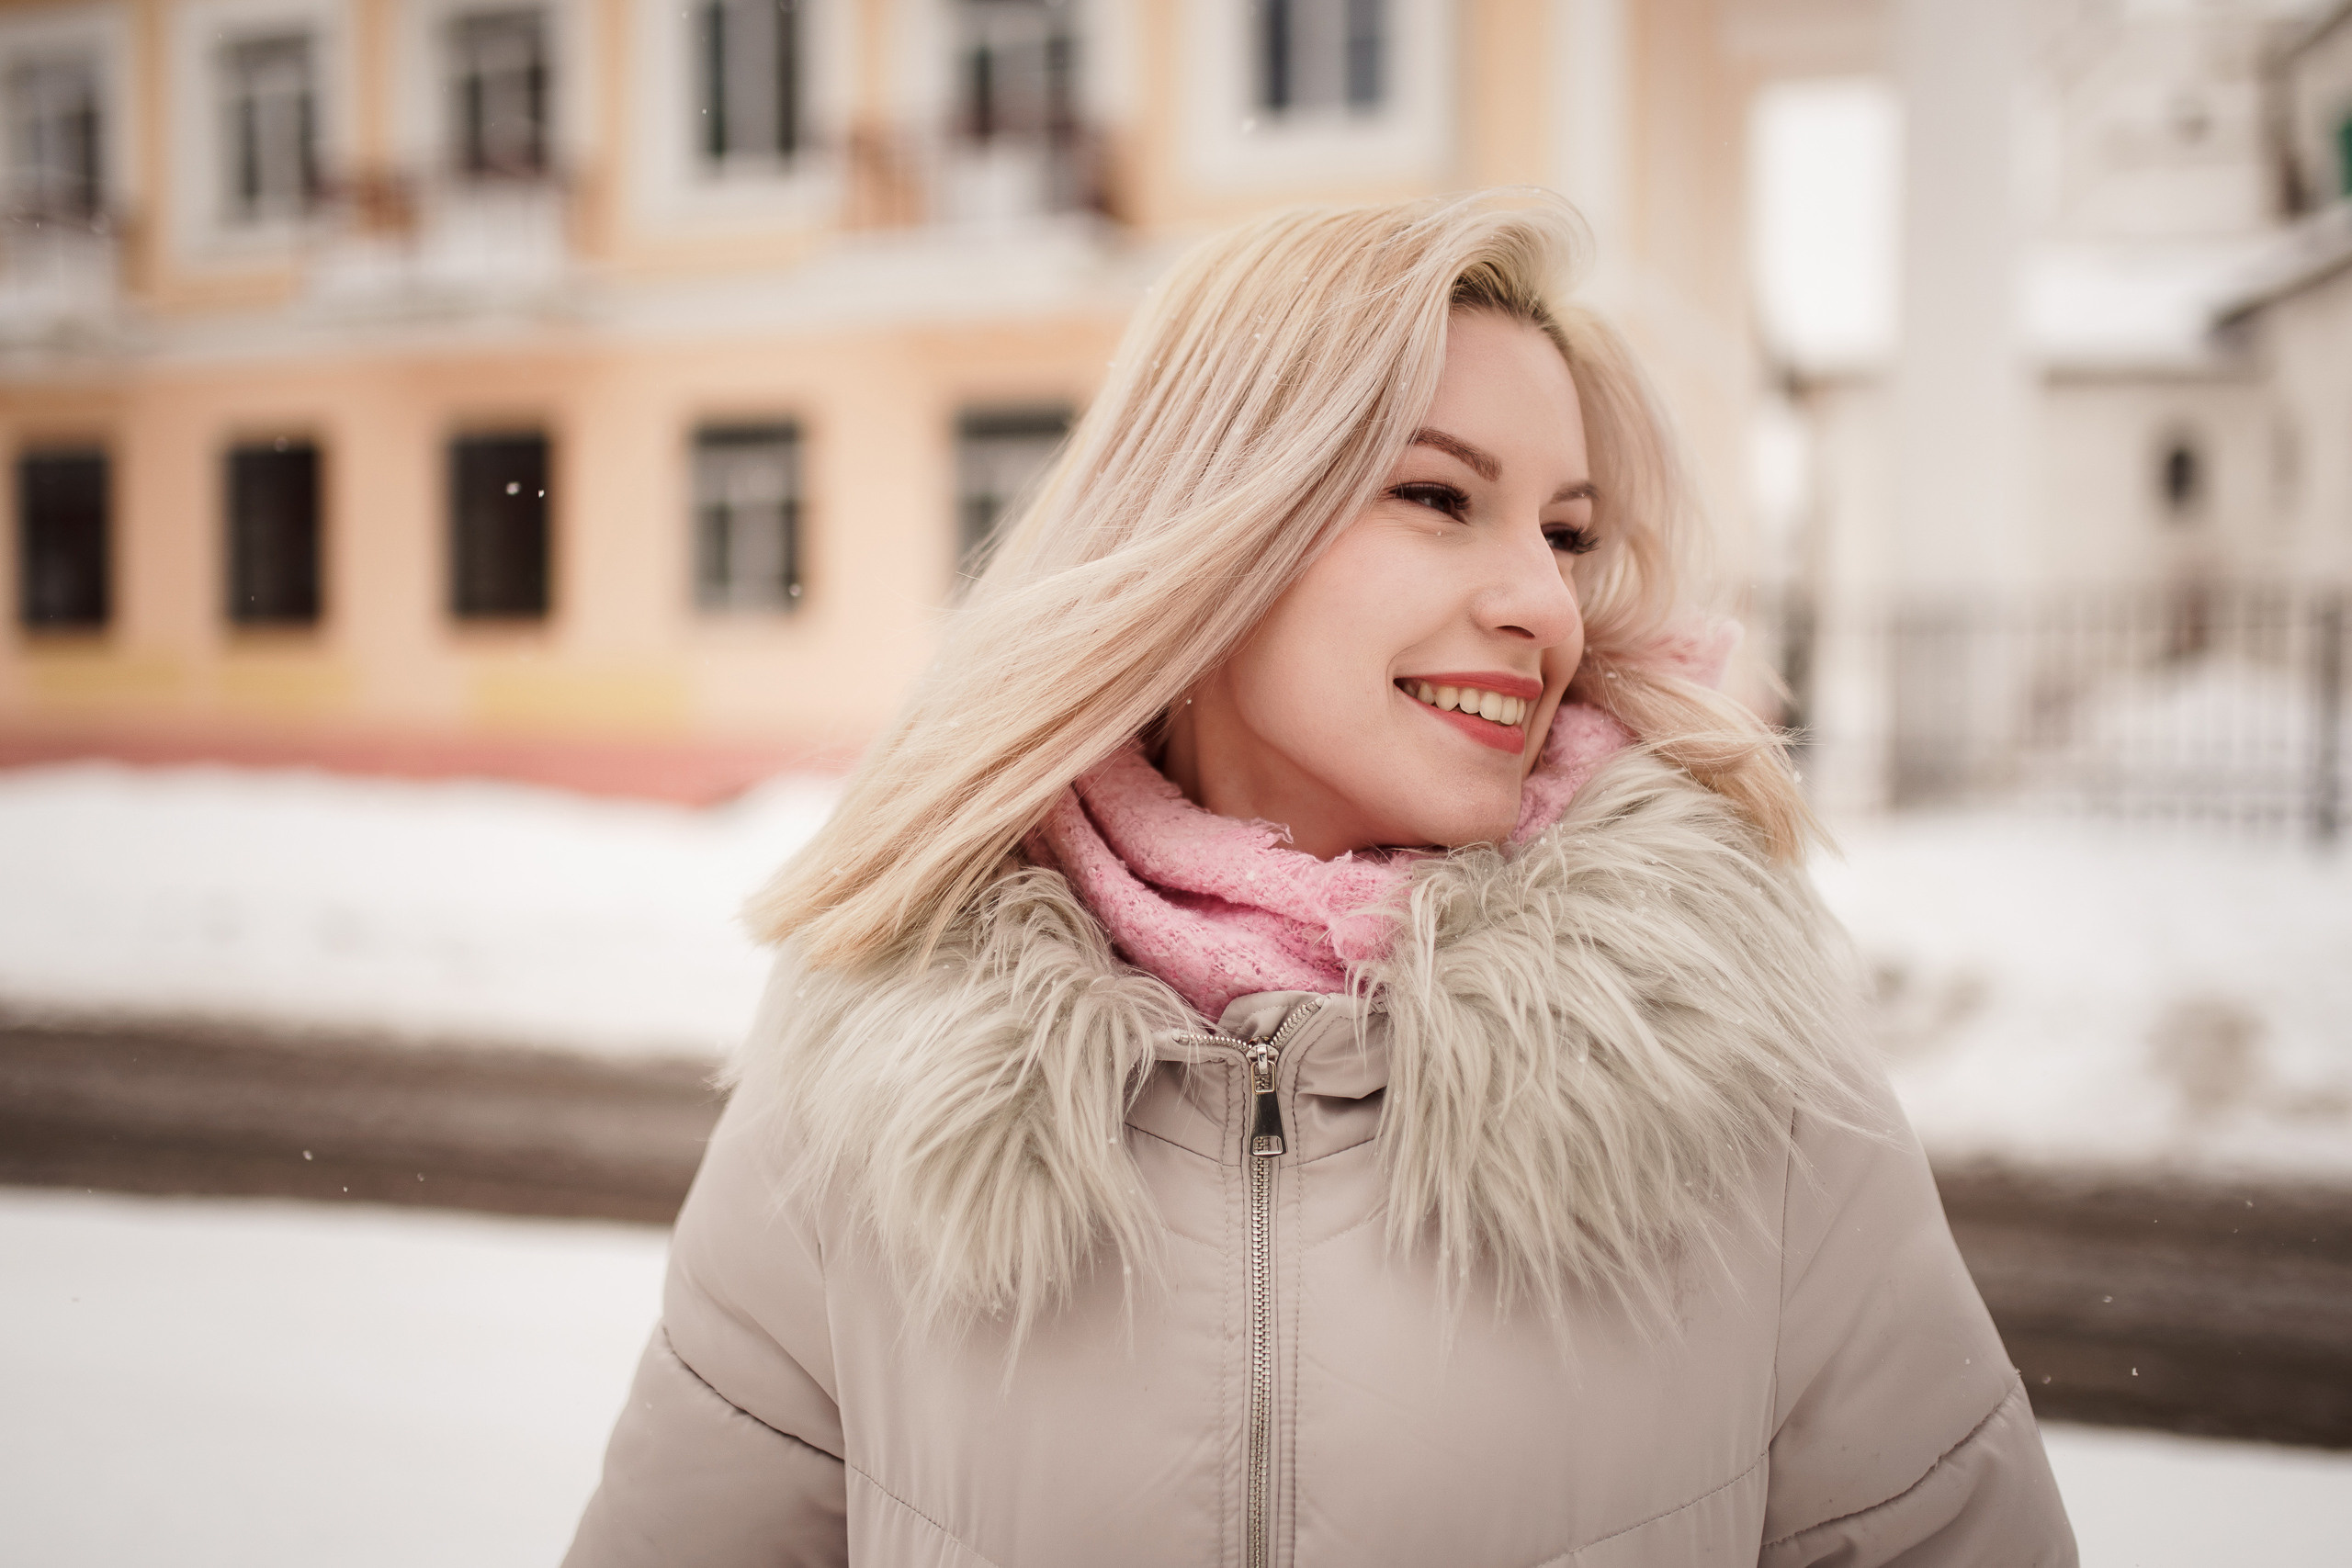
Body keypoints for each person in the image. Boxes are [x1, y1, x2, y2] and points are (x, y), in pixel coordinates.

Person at [565, 191, 2075, 1567]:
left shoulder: (1736, 1067)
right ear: (1226, 522)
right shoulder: (875, 1060)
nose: (1541, 602)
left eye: (1567, 533)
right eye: (1438, 499)